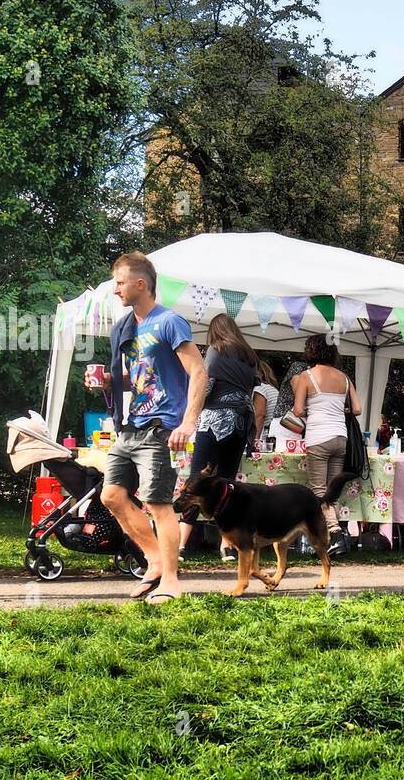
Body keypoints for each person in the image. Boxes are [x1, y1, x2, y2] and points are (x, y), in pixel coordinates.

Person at [101, 251, 207, 604]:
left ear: (140, 284)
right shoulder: (126, 328)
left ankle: (172, 582)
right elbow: (135, 379)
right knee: (111, 496)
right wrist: (105, 381)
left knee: (157, 504)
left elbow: (199, 372)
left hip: (162, 427)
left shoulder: (169, 322)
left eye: (120, 282)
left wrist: (189, 422)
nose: (115, 290)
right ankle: (155, 559)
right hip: (132, 426)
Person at [179, 314, 266, 561]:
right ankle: (226, 546)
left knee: (196, 481)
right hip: (241, 423)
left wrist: (189, 414)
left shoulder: (215, 351)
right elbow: (252, 388)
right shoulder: (249, 356)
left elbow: (205, 385)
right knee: (227, 484)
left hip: (215, 420)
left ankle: (181, 545)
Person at [294, 333, 362, 556]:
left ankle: (335, 534)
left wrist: (311, 409)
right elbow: (358, 409)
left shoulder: (306, 376)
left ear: (311, 351)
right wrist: (340, 409)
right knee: (333, 490)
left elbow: (298, 410)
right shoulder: (344, 377)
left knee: (319, 491)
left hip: (318, 438)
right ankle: (332, 534)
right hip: (340, 438)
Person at [251, 357, 280, 451]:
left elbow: (259, 415)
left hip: (266, 436)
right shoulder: (272, 389)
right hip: (276, 434)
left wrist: (255, 441)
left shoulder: (260, 388)